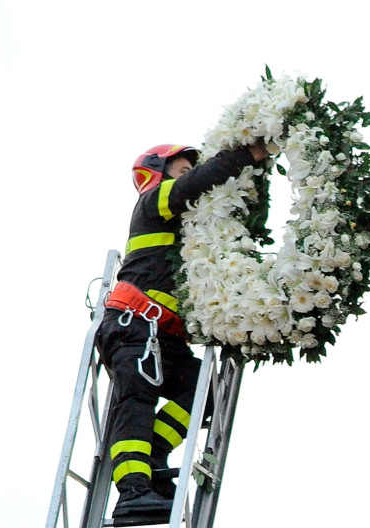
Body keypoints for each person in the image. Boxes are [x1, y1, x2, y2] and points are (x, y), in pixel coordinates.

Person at [95, 142, 267, 518]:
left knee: (204, 394)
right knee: (136, 402)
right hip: (135, 325)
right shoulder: (154, 201)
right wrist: (245, 156)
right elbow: (197, 185)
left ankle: (154, 454)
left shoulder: (188, 229)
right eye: (182, 169)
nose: (189, 175)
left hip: (165, 336)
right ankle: (132, 493)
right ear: (157, 173)